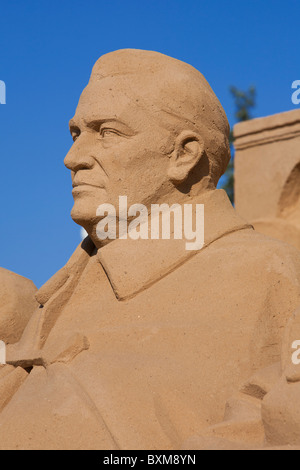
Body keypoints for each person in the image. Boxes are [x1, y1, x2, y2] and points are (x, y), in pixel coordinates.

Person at [1, 49, 300, 450]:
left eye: (108, 132)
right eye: (76, 133)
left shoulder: (270, 272)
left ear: (183, 155)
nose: (72, 159)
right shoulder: (61, 294)